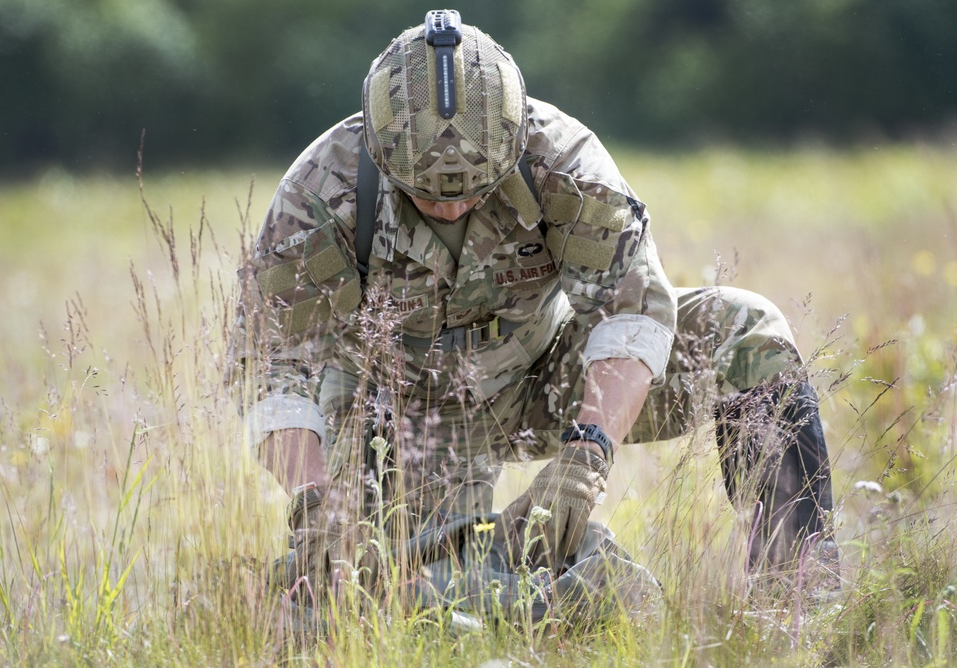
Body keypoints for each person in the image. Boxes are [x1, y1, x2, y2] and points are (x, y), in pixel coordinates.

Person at [227, 10, 840, 620]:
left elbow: (630, 313)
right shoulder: (320, 189)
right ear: (382, 153)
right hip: (396, 417)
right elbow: (272, 366)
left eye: (474, 189)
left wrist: (587, 454)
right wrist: (314, 504)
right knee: (407, 596)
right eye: (427, 194)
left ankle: (796, 602)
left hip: (539, 379)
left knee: (746, 333)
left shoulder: (563, 160)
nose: (452, 206)